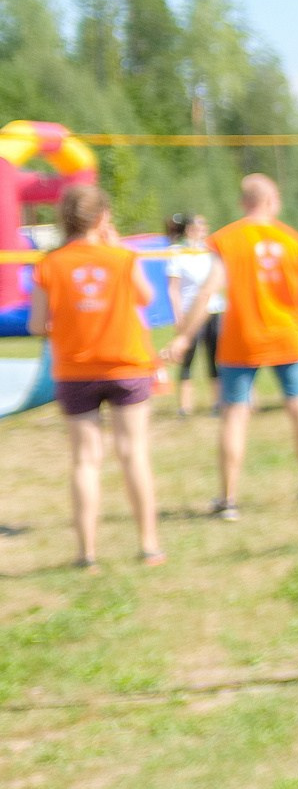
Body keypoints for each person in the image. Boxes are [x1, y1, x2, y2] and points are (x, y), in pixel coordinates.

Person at [164, 174, 298, 519]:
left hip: (242, 338)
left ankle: (228, 500)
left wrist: (184, 336)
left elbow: (208, 291)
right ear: (272, 201)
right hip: (288, 336)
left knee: (234, 415)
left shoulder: (228, 239)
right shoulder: (294, 241)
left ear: (243, 202)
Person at [31, 184, 165, 571]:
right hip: (126, 366)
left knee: (85, 461)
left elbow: (37, 324)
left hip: (76, 370)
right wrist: (118, 246)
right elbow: (146, 298)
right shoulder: (123, 258)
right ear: (103, 217)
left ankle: (86, 554)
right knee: (133, 454)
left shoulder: (49, 264)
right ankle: (149, 546)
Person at [164, 212, 220, 417]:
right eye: (197, 227)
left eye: (203, 227)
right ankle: (184, 407)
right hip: (190, 311)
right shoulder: (177, 252)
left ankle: (218, 403)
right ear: (188, 230)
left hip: (213, 309)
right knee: (187, 359)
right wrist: (178, 316)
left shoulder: (210, 250)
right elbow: (173, 289)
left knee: (215, 359)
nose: (201, 231)